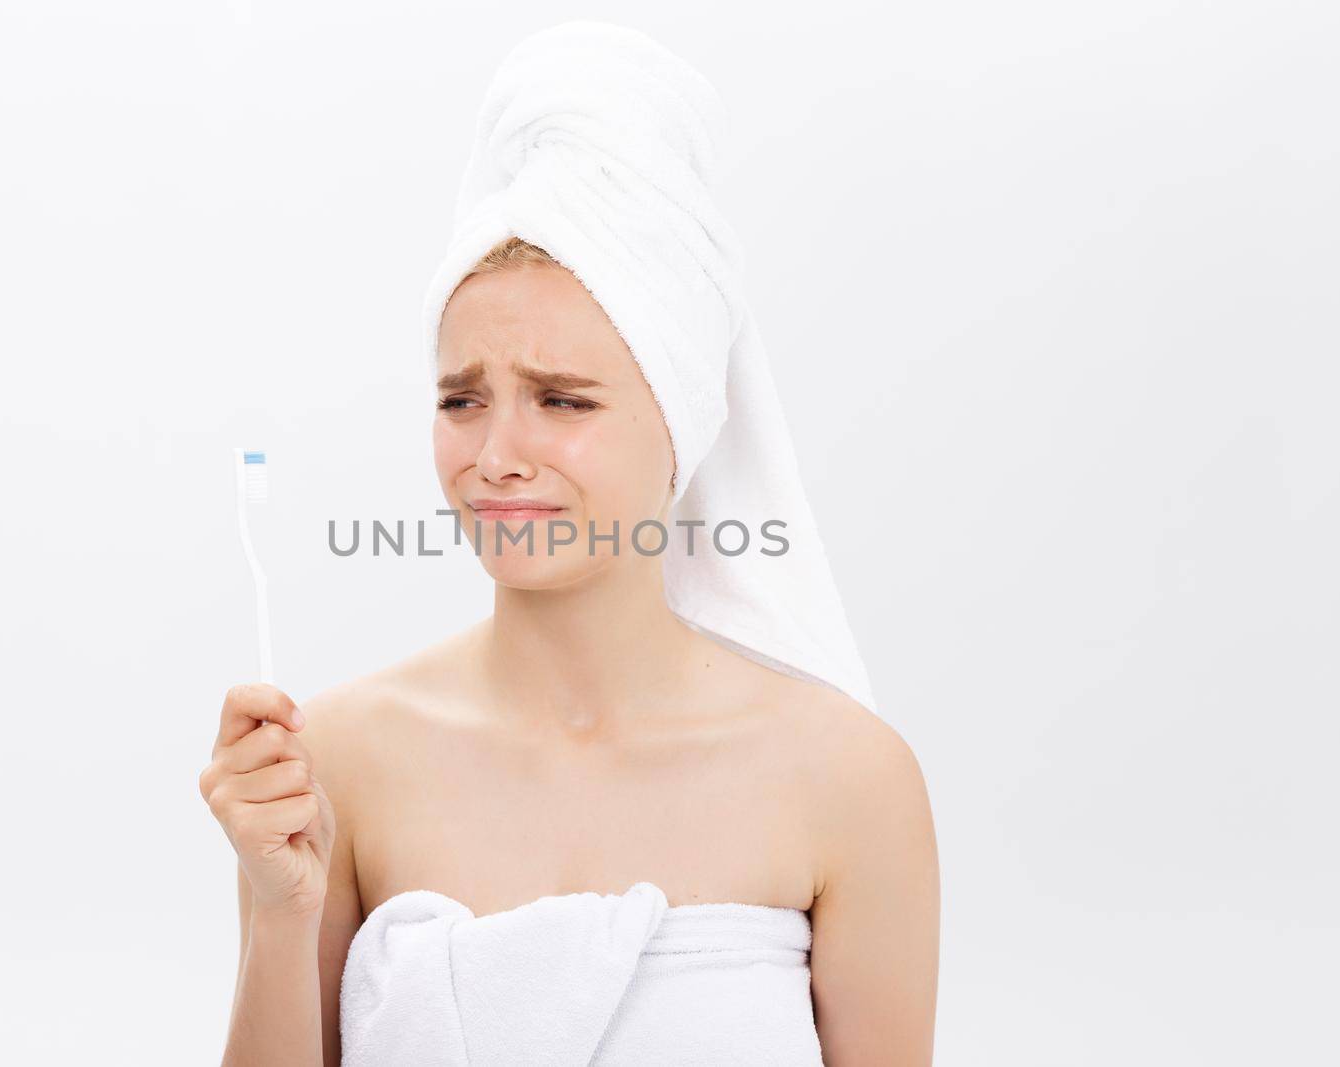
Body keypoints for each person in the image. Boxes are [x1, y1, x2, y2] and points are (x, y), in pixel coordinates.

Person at [200, 234, 939, 1065]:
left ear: (680, 422)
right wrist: (282, 913)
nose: (495, 458)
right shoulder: (329, 762)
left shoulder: (847, 779)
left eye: (562, 401)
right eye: (461, 400)